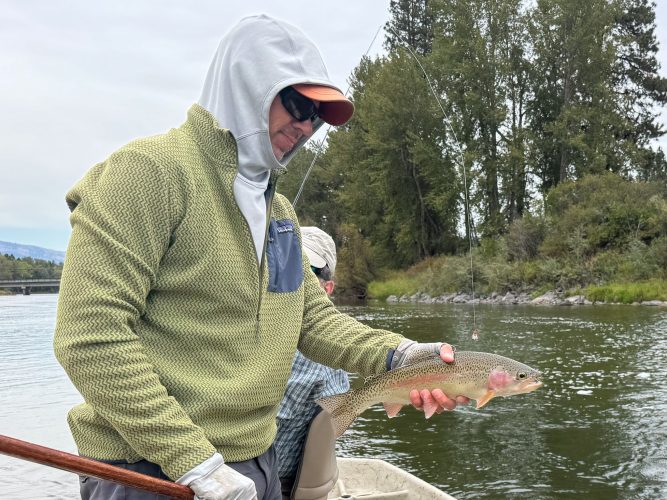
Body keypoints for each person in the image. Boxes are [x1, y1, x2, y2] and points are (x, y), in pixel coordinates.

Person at [53, 14, 468, 500]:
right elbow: (88, 337)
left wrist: (400, 355)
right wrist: (196, 464)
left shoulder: (281, 215)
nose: (306, 125)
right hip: (151, 470)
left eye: (318, 115)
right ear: (246, 84)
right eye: (297, 103)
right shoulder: (148, 174)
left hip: (256, 465)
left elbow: (312, 320)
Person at [275, 226, 348, 497]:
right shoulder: (340, 358)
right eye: (283, 262)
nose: (291, 276)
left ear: (326, 288)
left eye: (307, 271)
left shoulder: (314, 360)